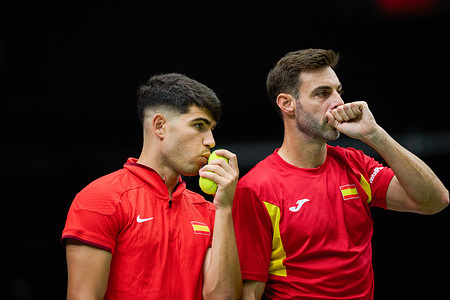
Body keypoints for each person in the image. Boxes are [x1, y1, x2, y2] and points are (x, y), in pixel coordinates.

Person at [232, 49, 449, 299]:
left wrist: (374, 134)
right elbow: (250, 294)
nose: (338, 102)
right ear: (287, 103)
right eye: (323, 93)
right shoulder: (255, 189)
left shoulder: (355, 164)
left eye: (338, 92)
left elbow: (435, 200)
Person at [61, 73, 242, 299]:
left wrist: (224, 209)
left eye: (212, 128)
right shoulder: (100, 198)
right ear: (159, 126)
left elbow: (222, 297)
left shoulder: (208, 211)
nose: (211, 141)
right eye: (199, 125)